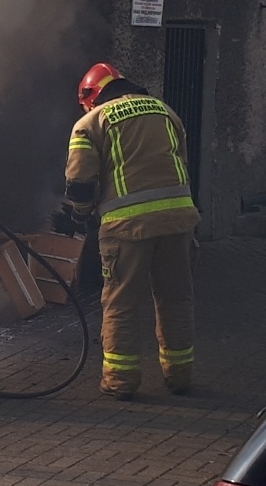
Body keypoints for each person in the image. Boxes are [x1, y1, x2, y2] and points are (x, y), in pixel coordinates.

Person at [61, 62, 199, 399]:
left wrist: (81, 216)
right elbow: (180, 162)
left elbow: (79, 182)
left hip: (127, 227)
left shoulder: (91, 122)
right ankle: (179, 376)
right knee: (175, 298)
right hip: (178, 220)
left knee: (121, 302)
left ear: (91, 96)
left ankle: (120, 381)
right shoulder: (167, 111)